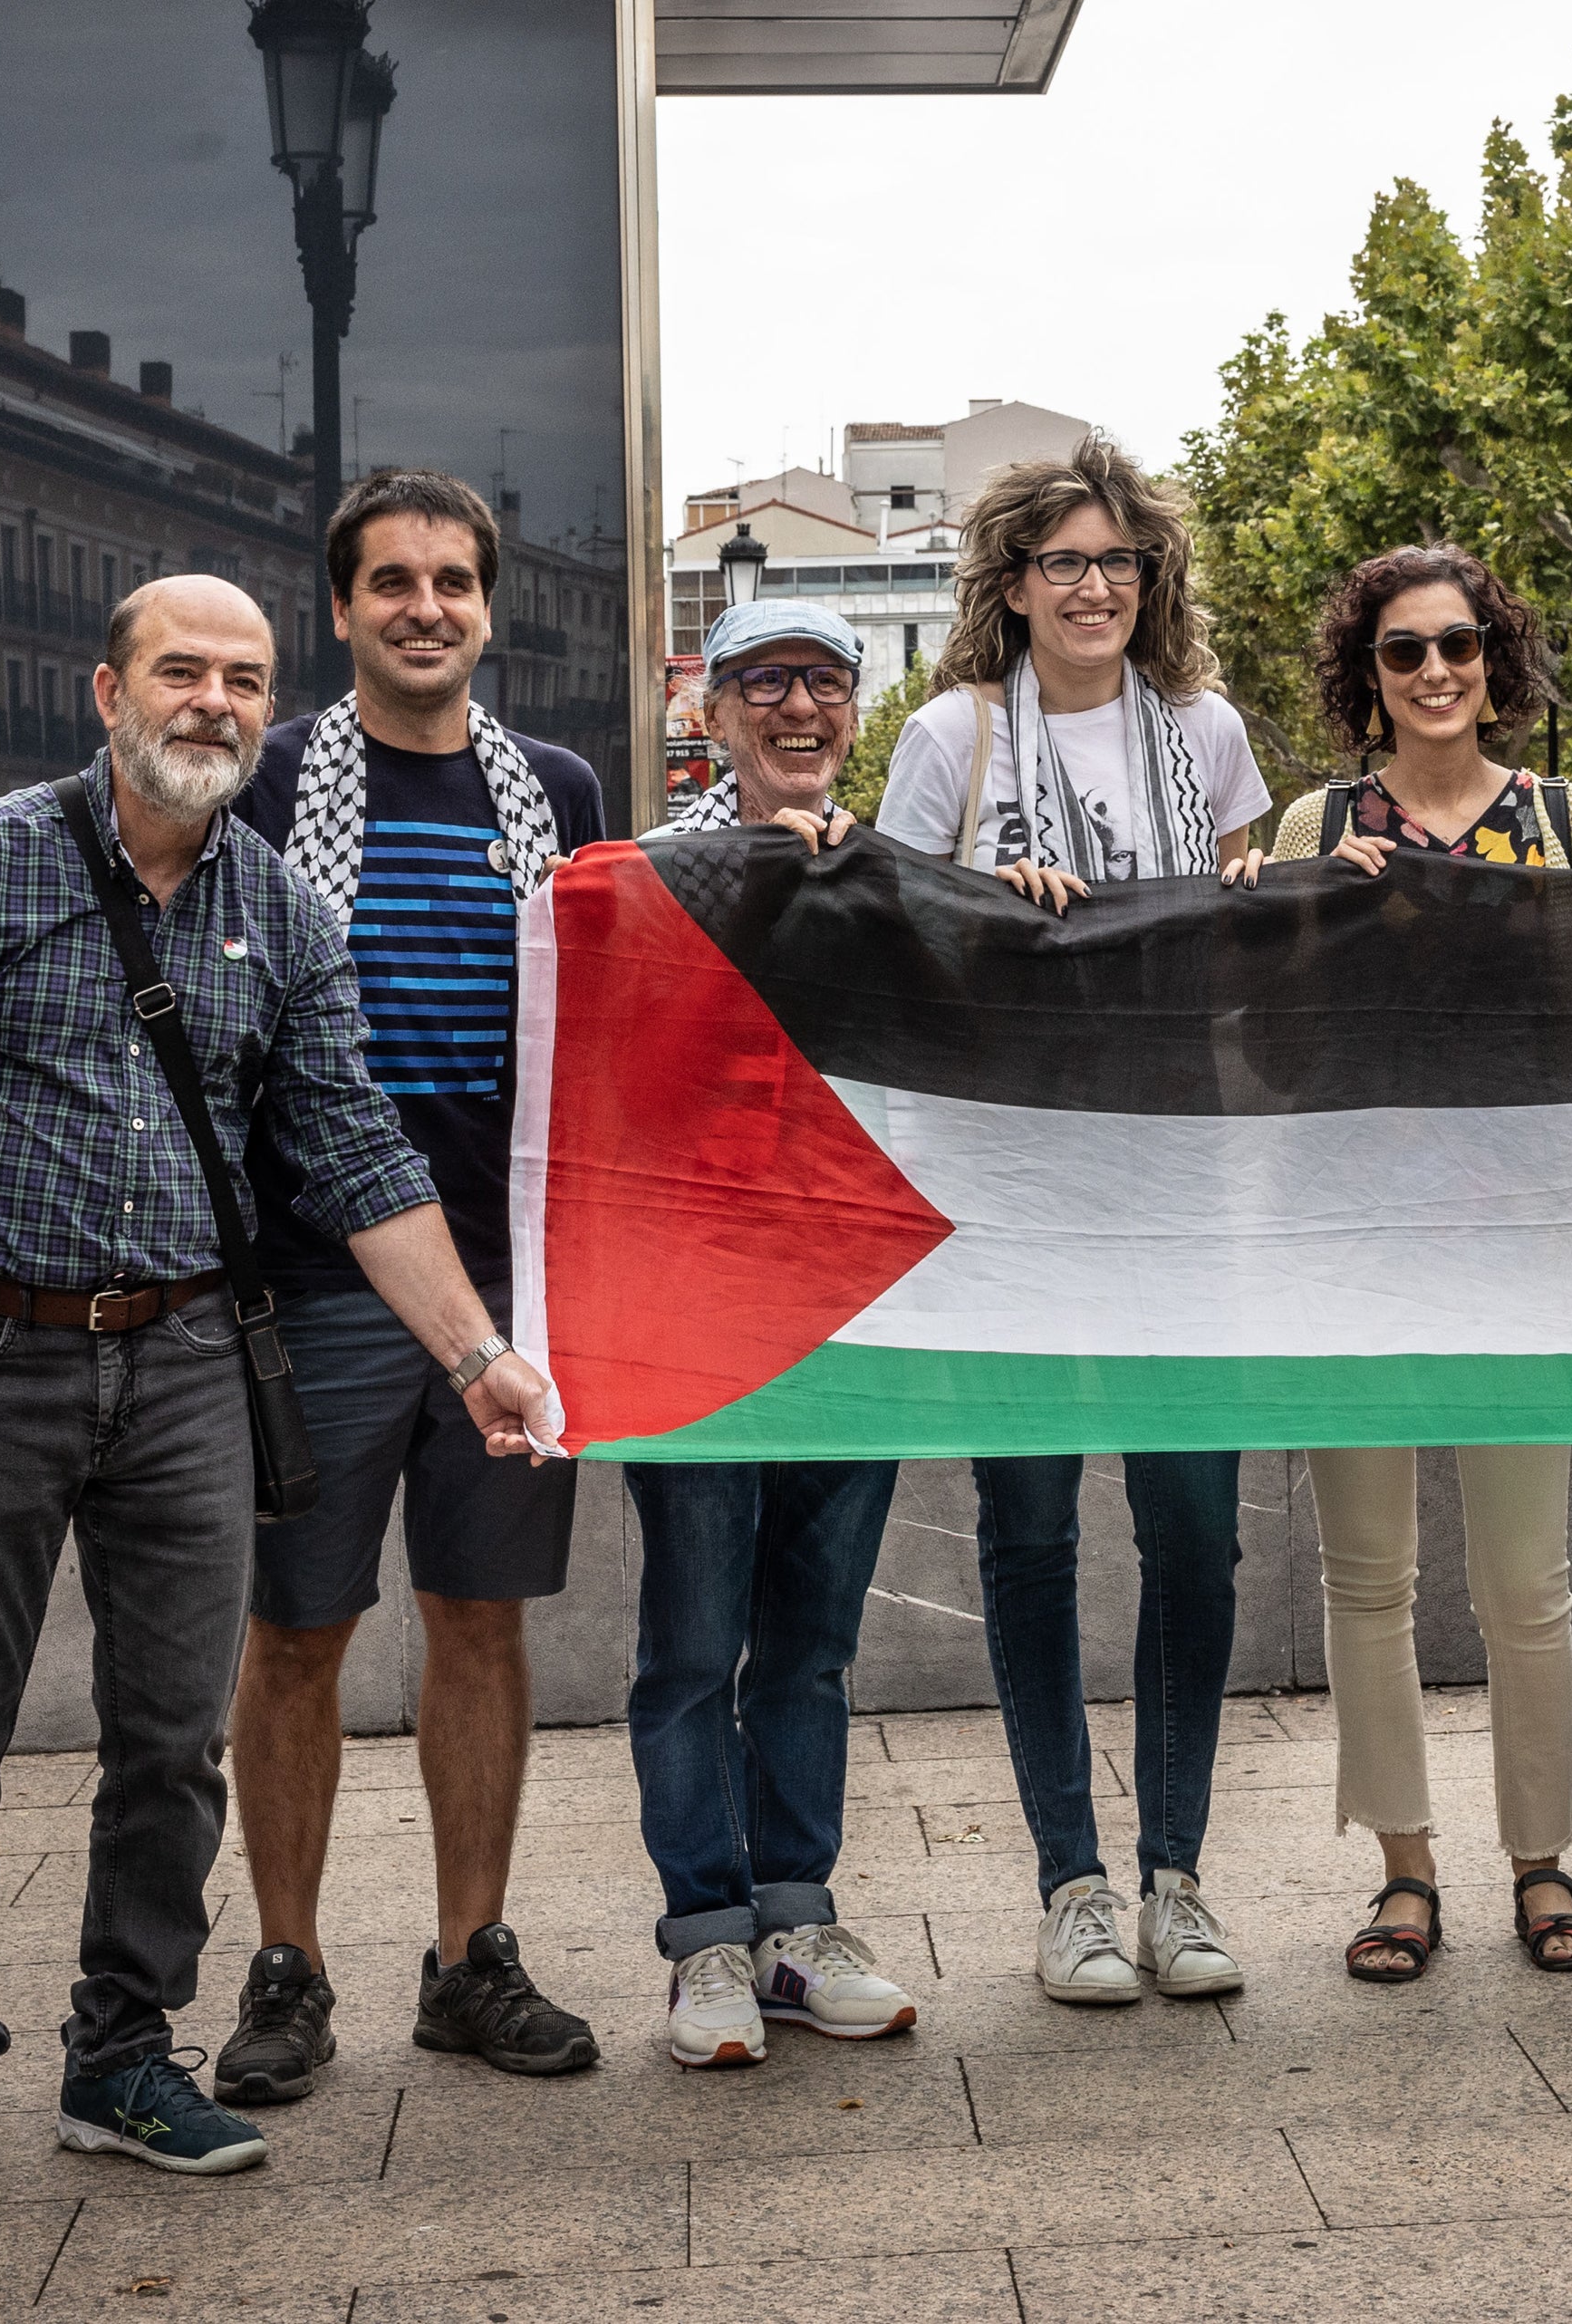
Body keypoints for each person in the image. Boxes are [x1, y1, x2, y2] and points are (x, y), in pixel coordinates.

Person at [0, 575, 556, 2204]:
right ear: (109, 692)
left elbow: (357, 1151)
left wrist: (477, 1355)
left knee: (170, 1742)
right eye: (181, 671)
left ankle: (124, 2053)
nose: (214, 701)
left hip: (190, 1361)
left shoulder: (280, 908)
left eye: (244, 678)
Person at [210, 471, 615, 2104]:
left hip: (513, 1287)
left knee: (480, 1618)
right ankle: (287, 1966)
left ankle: (470, 1959)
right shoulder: (266, 779)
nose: (425, 607)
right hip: (314, 1283)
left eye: (453, 580)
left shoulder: (559, 791)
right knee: (297, 1627)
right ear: (342, 607)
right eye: (393, 581)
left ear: (487, 606)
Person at [878, 436, 1277, 2001]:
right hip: (1014, 1200)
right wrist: (993, 916)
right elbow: (890, 945)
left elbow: (1246, 946)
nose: (1095, 586)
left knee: (1195, 1537)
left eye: (1119, 559)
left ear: (1150, 577)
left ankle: (1178, 1873)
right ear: (1014, 583)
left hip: (1179, 1191)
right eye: (1064, 561)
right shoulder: (953, 735)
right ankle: (1073, 1885)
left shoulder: (1209, 733)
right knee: (1030, 1537)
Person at [1270, 546, 1572, 1977]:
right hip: (1354, 1247)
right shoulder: (1313, 823)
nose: (1434, 671)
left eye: (1458, 643)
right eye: (1403, 650)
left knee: (1528, 1582)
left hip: (1521, 1251)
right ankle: (1403, 1868)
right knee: (1369, 1575)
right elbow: (1270, 1037)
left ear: (1493, 659)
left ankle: (1544, 1859)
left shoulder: (1565, 818)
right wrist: (1297, 908)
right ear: (1369, 674)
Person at [628, 597, 921, 2066]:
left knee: (810, 1642)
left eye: (822, 681)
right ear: (713, 711)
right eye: (763, 681)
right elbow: (618, 1062)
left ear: (854, 712)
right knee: (693, 1640)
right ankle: (706, 1938)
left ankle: (798, 1922)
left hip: (855, 1316)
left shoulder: (900, 879)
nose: (796, 705)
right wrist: (751, 886)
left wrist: (1028, 908)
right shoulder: (645, 876)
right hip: (693, 1320)